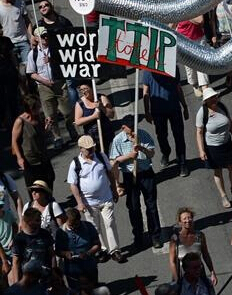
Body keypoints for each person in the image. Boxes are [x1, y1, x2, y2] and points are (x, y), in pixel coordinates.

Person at [66, 135, 123, 264]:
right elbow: (73, 185)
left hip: (106, 197)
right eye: (88, 149)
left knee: (110, 223)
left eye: (92, 148)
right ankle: (101, 249)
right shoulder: (75, 164)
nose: (91, 151)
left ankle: (114, 250)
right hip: (89, 203)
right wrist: (79, 203)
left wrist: (114, 190)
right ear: (81, 149)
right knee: (95, 227)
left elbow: (110, 173)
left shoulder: (101, 157)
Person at [109, 115, 162, 250]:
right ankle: (138, 236)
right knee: (133, 207)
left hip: (146, 173)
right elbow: (114, 161)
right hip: (130, 175)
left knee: (151, 205)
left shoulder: (143, 134)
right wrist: (129, 157)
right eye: (130, 128)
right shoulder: (118, 140)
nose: (133, 130)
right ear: (123, 128)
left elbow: (152, 154)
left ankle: (155, 235)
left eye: (134, 127)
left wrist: (142, 148)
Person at [196, 88, 232, 210]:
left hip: (226, 144)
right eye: (211, 98)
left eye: (215, 97)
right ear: (206, 101)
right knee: (218, 171)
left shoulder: (222, 106)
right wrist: (201, 150)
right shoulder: (202, 113)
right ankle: (223, 196)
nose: (214, 99)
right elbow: (199, 132)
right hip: (212, 147)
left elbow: (230, 123)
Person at [26, 27, 72, 147]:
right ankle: (57, 138)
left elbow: (67, 61)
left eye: (46, 35)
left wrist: (52, 60)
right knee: (50, 115)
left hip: (59, 84)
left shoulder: (56, 48)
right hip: (44, 87)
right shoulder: (33, 54)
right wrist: (44, 81)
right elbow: (32, 73)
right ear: (36, 38)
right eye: (42, 36)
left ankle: (73, 132)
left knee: (67, 111)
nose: (45, 38)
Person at [142, 69, 190, 177]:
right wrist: (147, 111)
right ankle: (166, 152)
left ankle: (182, 162)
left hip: (174, 109)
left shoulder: (173, 67)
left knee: (179, 136)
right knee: (161, 136)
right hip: (158, 111)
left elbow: (178, 88)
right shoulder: (147, 71)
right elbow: (146, 92)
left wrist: (185, 106)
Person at [11, 96, 54, 193]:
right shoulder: (20, 121)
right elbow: (14, 141)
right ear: (30, 108)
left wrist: (47, 127)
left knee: (49, 177)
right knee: (35, 185)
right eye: (37, 107)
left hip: (43, 155)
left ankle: (48, 198)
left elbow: (41, 134)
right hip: (30, 159)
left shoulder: (38, 117)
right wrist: (19, 158)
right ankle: (37, 202)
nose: (40, 109)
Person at [55, 208, 101, 291]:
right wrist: (66, 254)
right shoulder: (61, 232)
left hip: (89, 268)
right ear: (66, 221)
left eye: (76, 224)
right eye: (71, 225)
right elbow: (57, 251)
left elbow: (97, 245)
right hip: (72, 271)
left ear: (79, 220)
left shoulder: (88, 227)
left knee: (92, 290)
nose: (73, 227)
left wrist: (88, 253)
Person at [169, 208, 216, 285]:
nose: (187, 220)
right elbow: (172, 261)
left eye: (189, 218)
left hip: (199, 274)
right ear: (180, 222)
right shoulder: (175, 238)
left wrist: (212, 272)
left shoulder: (200, 235)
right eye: (184, 218)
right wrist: (176, 279)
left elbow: (206, 255)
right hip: (182, 275)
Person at [11, 208, 55, 284]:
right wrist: (17, 284)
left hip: (45, 279)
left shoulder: (45, 234)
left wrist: (54, 273)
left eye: (40, 220)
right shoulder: (19, 239)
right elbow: (16, 262)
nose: (40, 222)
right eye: (37, 220)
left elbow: (52, 255)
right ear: (28, 221)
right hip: (27, 281)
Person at [73, 83, 115, 156]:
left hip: (107, 133)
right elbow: (78, 122)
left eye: (85, 89)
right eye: (81, 90)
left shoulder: (101, 98)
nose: (83, 92)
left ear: (92, 89)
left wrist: (102, 107)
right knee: (97, 157)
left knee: (111, 156)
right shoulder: (80, 103)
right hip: (92, 137)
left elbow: (111, 115)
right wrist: (93, 117)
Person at [0, 0, 33, 64]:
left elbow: (27, 21)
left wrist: (31, 36)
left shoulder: (20, 2)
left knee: (28, 67)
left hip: (23, 41)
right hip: (8, 44)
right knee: (14, 68)